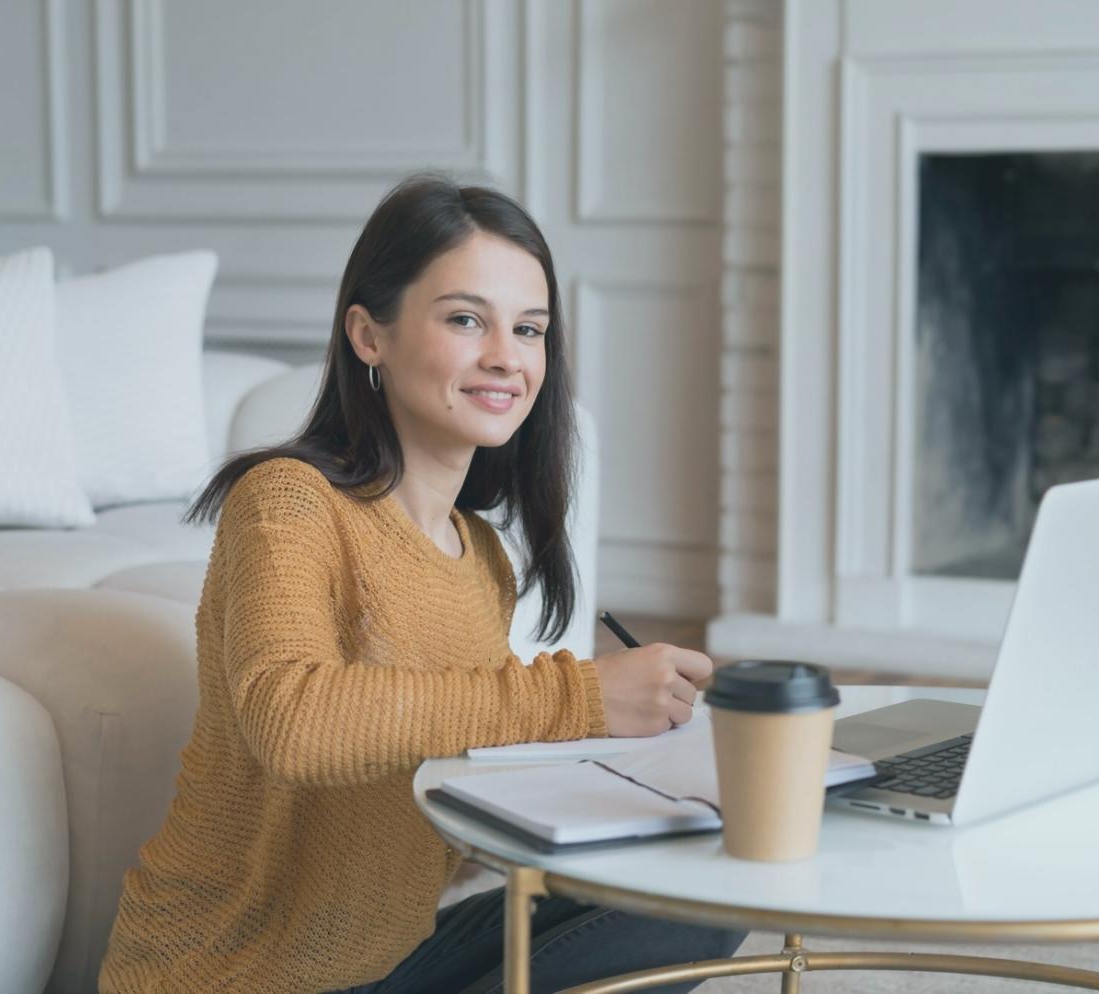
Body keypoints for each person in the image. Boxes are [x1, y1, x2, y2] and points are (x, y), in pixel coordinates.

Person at [96, 174, 748, 994]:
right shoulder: (289, 504)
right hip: (237, 975)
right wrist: (577, 698)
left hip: (390, 961)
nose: (507, 357)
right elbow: (292, 720)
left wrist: (632, 784)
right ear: (369, 335)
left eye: (531, 329)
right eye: (466, 319)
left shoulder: (482, 557)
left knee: (708, 894)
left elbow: (437, 775)